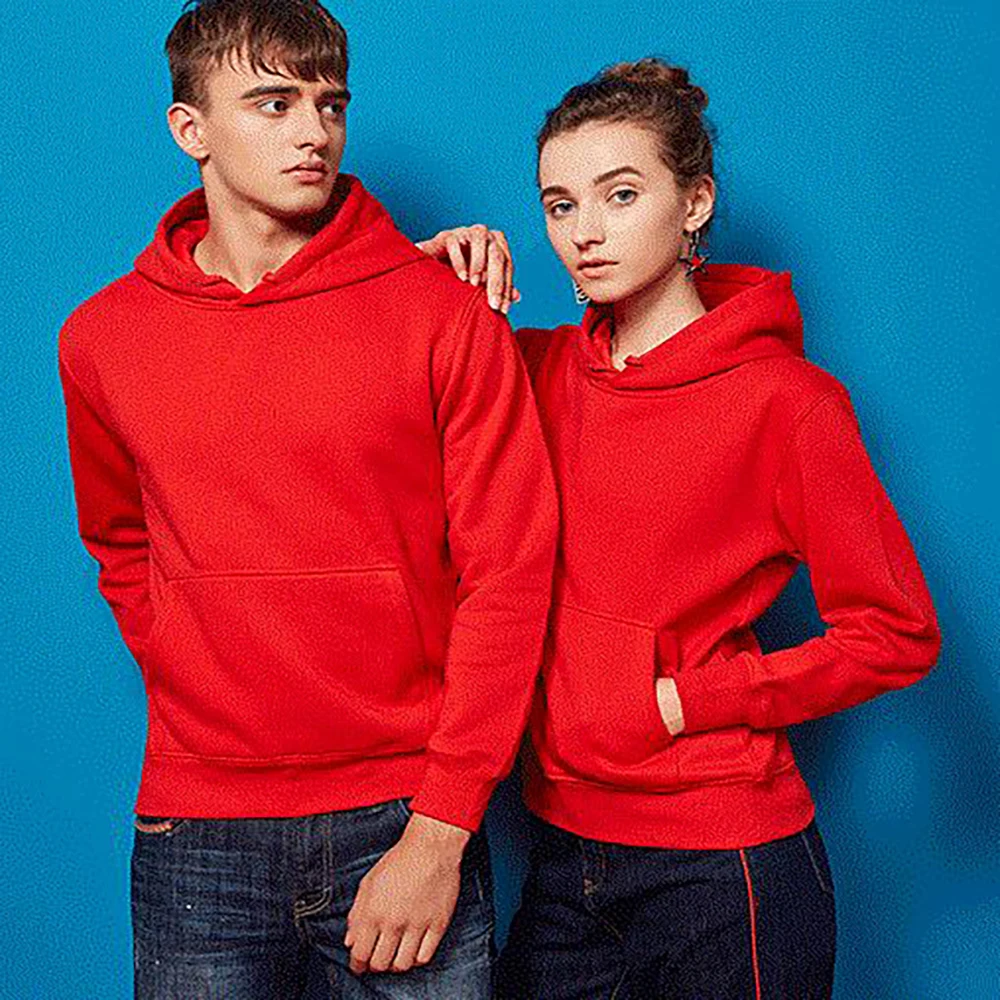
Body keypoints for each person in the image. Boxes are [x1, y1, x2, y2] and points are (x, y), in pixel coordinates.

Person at [56, 1, 557, 996]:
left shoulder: (441, 313)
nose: (313, 132)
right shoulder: (101, 339)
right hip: (197, 830)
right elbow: (118, 539)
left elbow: (510, 571)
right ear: (190, 129)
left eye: (330, 104)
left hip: (404, 814)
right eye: (273, 102)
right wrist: (194, 656)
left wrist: (443, 825)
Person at [418, 58, 941, 998]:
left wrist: (682, 704)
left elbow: (896, 634)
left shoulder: (789, 404)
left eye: (620, 195)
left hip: (725, 867)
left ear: (694, 203)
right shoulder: (530, 372)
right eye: (560, 205)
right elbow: (368, 389)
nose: (585, 232)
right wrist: (427, 274)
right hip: (563, 851)